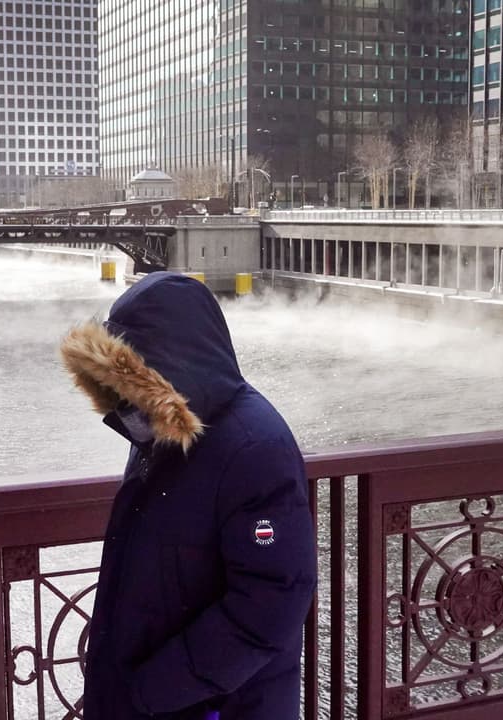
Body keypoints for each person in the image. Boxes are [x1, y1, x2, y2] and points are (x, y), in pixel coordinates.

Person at [59, 272, 316, 720]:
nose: (123, 399)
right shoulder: (168, 433)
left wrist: (152, 690)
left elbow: (270, 603)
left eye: (133, 381)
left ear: (173, 366)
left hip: (212, 706)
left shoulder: (253, 449)